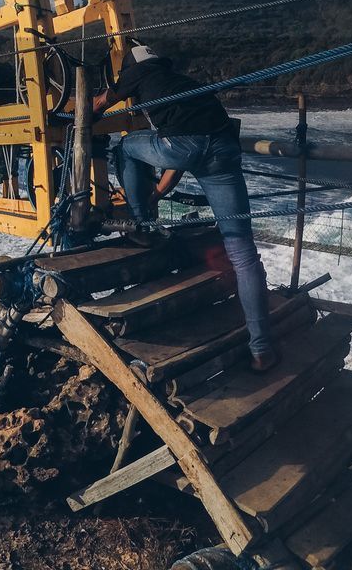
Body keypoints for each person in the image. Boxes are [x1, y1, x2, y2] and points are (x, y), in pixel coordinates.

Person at [93, 43, 278, 372]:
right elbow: (185, 149)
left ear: (130, 69)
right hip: (222, 149)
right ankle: (262, 348)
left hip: (184, 146)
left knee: (126, 147)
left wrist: (77, 111)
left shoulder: (136, 74)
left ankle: (142, 226)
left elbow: (100, 105)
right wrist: (157, 193)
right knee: (243, 252)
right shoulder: (183, 83)